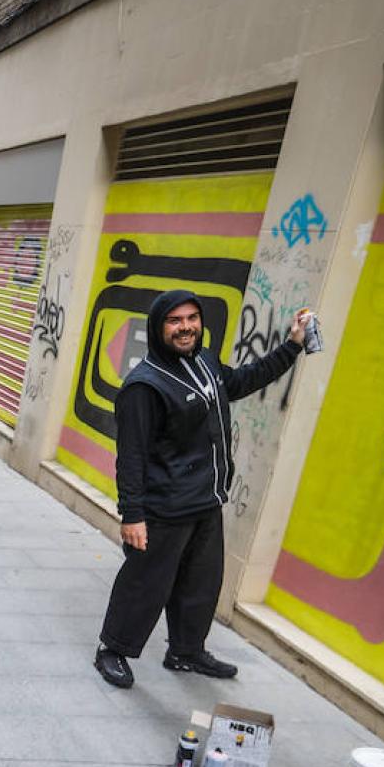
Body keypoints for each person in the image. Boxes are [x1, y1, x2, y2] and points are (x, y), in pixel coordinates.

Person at [93, 289, 308, 689]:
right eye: (175, 320)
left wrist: (292, 346)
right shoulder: (144, 386)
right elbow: (132, 456)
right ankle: (112, 649)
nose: (186, 327)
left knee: (201, 585)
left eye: (192, 318)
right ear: (158, 328)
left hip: (206, 502)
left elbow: (241, 381)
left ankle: (186, 651)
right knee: (145, 583)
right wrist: (133, 514)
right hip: (164, 508)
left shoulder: (205, 362)